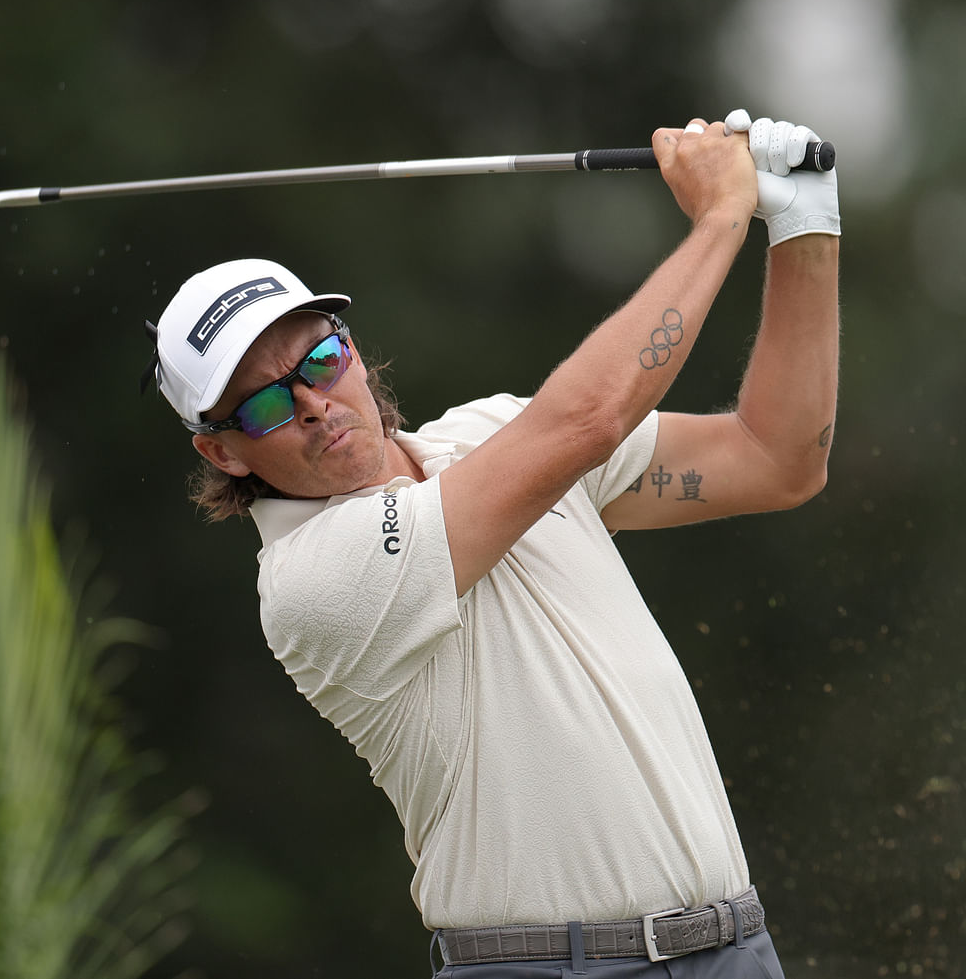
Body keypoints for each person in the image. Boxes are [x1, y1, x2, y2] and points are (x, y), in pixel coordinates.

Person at [144, 114, 840, 977]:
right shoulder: (311, 579)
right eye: (262, 405)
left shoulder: (492, 434)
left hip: (735, 949)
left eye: (318, 360)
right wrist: (721, 217)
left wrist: (804, 225)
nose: (314, 405)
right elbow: (587, 419)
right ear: (222, 452)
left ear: (350, 348)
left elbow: (777, 458)